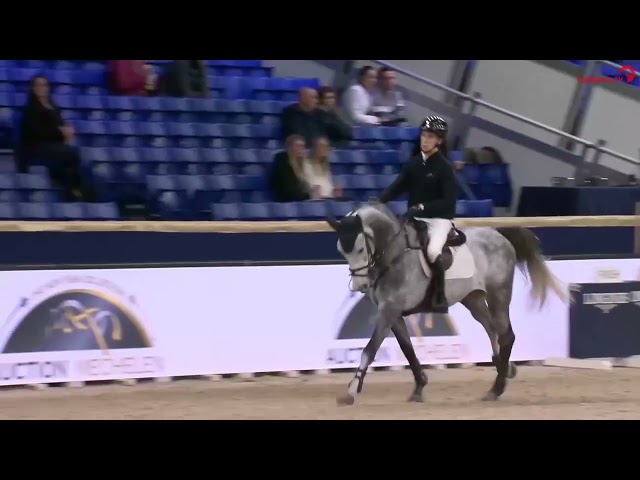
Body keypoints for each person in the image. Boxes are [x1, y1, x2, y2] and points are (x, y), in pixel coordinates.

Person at [377, 116, 459, 313]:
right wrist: (379, 201)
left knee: (433, 251)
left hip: (438, 220)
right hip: (415, 219)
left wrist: (422, 207)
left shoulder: (445, 168)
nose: (425, 140)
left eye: (430, 136)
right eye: (423, 135)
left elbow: (448, 202)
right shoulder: (413, 164)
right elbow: (397, 187)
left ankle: (439, 295)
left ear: (439, 140)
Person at [19, 75, 94, 201]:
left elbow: (60, 126)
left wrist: (67, 131)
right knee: (72, 153)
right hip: (37, 146)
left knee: (74, 159)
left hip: (54, 145)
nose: (42, 88)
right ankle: (77, 189)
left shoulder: (54, 106)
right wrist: (60, 133)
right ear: (33, 88)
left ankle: (74, 192)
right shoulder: (31, 109)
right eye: (38, 85)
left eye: (44, 85)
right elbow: (36, 133)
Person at [270, 134, 318, 202]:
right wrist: (309, 195)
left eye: (302, 146)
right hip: (287, 201)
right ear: (289, 147)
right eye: (298, 146)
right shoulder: (282, 160)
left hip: (303, 199)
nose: (301, 149)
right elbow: (288, 188)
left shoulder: (302, 162)